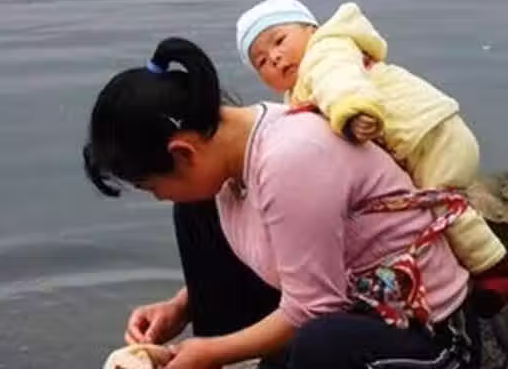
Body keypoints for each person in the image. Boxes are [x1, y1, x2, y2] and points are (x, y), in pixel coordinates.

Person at [85, 37, 480, 368]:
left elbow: (316, 307)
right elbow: (288, 251)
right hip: (350, 302)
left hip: (423, 334)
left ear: (183, 153)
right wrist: (181, 306)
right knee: (196, 209)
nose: (158, 196)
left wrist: (207, 352)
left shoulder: (290, 158)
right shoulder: (231, 155)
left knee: (322, 343)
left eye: (152, 186)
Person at [235, 0, 508, 313]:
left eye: (279, 40)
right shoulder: (297, 92)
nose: (275, 57)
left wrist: (352, 112)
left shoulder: (326, 52)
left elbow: (341, 84)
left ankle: (493, 268)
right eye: (261, 62)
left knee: (441, 204)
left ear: (312, 29)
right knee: (424, 209)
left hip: (428, 136)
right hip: (413, 140)